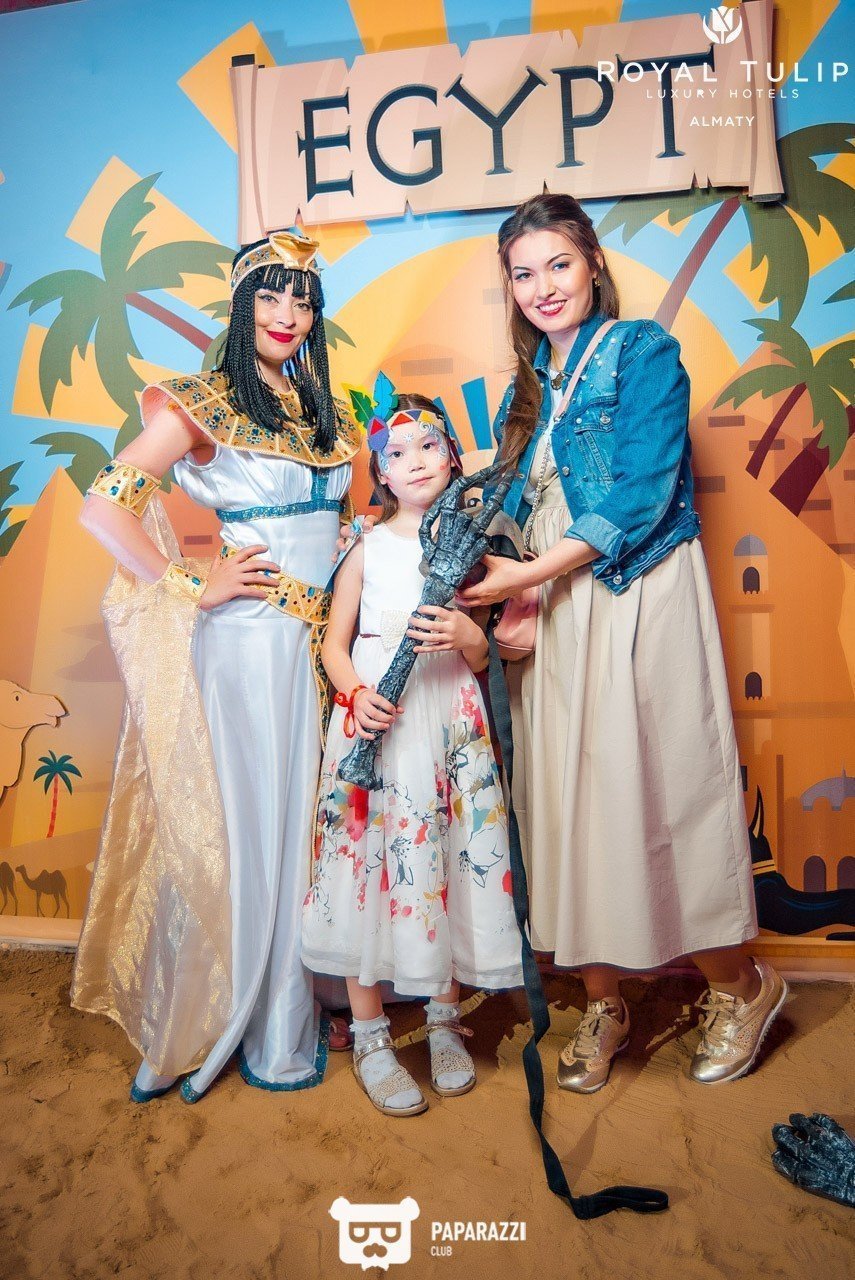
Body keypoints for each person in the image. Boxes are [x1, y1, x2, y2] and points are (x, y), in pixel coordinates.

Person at [460, 194, 786, 1094]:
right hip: (552, 608)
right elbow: (513, 512)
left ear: (593, 264)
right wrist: (488, 574)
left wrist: (526, 575)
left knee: (662, 787)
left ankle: (741, 986)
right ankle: (603, 999)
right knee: (565, 800)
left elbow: (641, 492)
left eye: (558, 264)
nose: (542, 287)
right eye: (523, 273)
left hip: (634, 589)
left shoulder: (641, 351)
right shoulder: (526, 391)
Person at [71, 231, 360, 1102]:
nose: (286, 314)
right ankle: (209, 1009)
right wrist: (190, 582)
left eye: (301, 299)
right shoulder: (206, 401)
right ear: (241, 307)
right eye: (269, 297)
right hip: (247, 644)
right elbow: (104, 506)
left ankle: (296, 999)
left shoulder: (329, 408)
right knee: (241, 824)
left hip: (321, 652)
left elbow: (344, 526)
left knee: (303, 822)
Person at [302, 391, 523, 1116]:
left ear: (454, 458)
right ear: (381, 474)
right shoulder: (365, 547)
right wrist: (354, 694)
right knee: (366, 864)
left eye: (429, 445)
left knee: (447, 862)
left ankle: (442, 1019)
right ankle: (369, 1034)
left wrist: (470, 639)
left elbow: (486, 654)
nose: (416, 461)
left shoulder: (476, 547)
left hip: (448, 718)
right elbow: (334, 644)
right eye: (397, 453)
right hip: (377, 721)